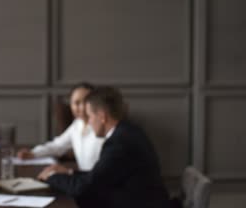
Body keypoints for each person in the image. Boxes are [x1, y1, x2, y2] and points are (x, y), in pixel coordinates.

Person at [37, 86, 170, 208]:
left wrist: (52, 177)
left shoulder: (119, 143)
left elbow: (87, 188)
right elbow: (100, 177)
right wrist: (70, 172)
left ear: (102, 117)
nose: (88, 122)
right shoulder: (127, 131)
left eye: (89, 116)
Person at [17, 83, 105, 171]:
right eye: (77, 103)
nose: (82, 108)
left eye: (86, 102)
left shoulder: (104, 126)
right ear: (71, 105)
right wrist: (33, 153)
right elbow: (57, 146)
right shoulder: (77, 125)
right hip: (84, 178)